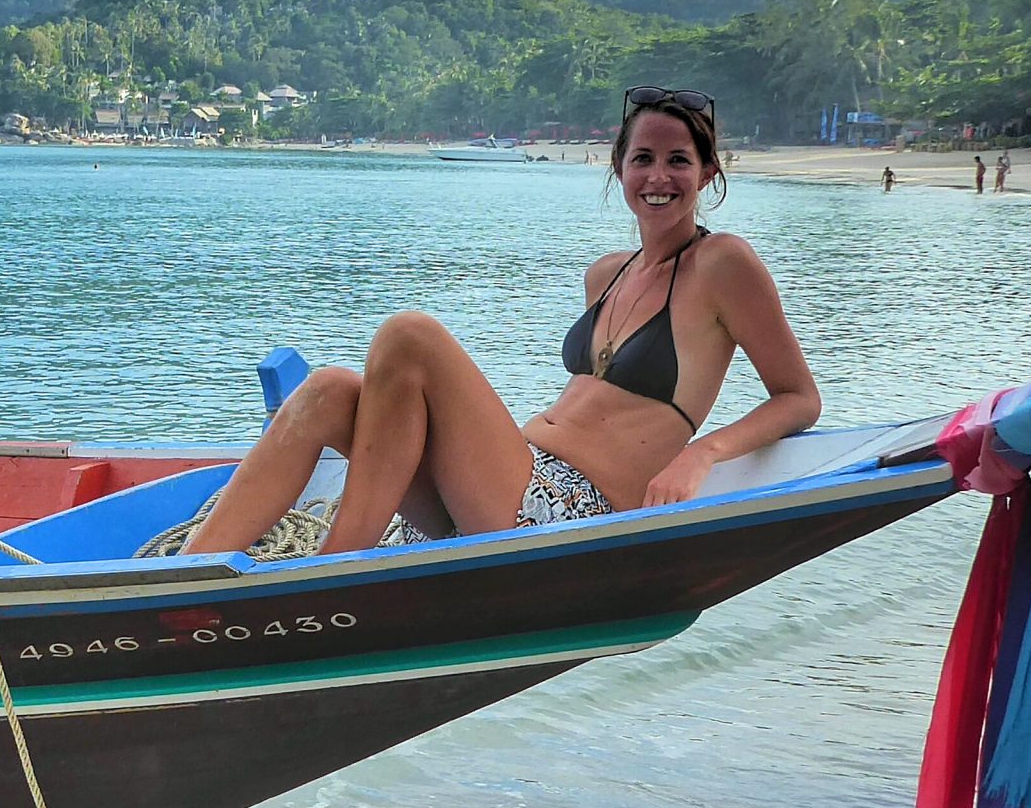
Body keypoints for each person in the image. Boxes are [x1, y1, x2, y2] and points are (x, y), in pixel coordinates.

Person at [188, 87, 821, 556]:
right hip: (508, 479)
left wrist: (699, 455)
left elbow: (799, 397)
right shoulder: (607, 274)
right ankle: (187, 573)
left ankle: (336, 567)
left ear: (708, 173)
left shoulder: (722, 263)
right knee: (327, 390)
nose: (659, 176)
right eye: (643, 158)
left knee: (411, 335)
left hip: (571, 511)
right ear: (619, 170)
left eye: (679, 160)